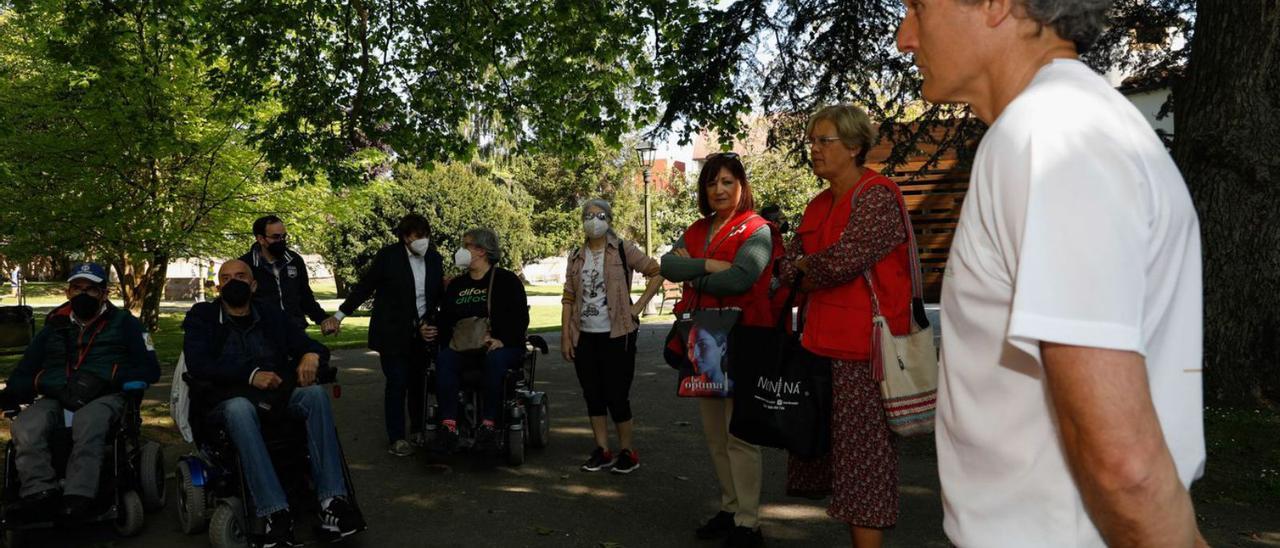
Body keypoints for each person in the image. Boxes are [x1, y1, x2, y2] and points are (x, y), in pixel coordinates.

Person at [896, 1, 1206, 546]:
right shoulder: (1063, 124)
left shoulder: (1051, 134)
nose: (904, 37)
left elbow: (1122, 463)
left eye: (918, 7)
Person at [779, 104, 912, 548]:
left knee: (863, 469)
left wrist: (802, 267)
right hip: (817, 349)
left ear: (854, 147)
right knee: (826, 459)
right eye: (812, 141)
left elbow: (844, 260)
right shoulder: (817, 204)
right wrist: (800, 267)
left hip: (863, 354)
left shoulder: (877, 195)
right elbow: (788, 268)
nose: (813, 150)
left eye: (824, 141)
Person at [183, 260, 361, 547]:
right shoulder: (202, 316)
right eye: (226, 278)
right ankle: (273, 512)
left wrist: (312, 356)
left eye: (241, 276)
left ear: (253, 285)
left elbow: (309, 345)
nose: (233, 282)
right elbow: (198, 363)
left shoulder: (270, 314)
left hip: (276, 399)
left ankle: (332, 502)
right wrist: (250, 375)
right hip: (224, 404)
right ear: (218, 288)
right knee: (240, 407)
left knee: (314, 395)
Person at [661, 153, 781, 548]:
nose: (719, 189)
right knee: (714, 433)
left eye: (728, 181)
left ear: (741, 186)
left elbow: (743, 278)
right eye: (712, 183)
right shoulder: (697, 228)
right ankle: (730, 509)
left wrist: (696, 270)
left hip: (745, 337)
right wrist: (714, 266)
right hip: (704, 339)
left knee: (740, 434)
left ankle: (749, 522)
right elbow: (667, 266)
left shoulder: (757, 229)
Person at [0, 263, 160, 520]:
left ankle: (79, 495)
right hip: (57, 395)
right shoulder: (53, 326)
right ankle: (39, 492)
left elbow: (150, 369)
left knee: (89, 421)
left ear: (104, 293)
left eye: (91, 289)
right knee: (27, 425)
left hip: (104, 395)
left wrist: (112, 377)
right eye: (77, 288)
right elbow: (26, 367)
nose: (83, 295)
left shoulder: (127, 324)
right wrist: (14, 392)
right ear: (68, 292)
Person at [322, 214, 445, 457]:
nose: (422, 241)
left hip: (423, 333)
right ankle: (397, 436)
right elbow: (365, 287)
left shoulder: (434, 258)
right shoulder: (389, 257)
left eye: (425, 236)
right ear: (404, 237)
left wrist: (433, 320)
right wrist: (339, 316)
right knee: (398, 382)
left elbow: (434, 294)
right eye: (416, 237)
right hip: (392, 331)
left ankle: (418, 430)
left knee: (419, 382)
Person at [560, 199, 663, 474]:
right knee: (592, 394)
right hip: (585, 336)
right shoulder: (575, 256)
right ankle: (602, 450)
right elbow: (568, 297)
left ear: (609, 220)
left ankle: (628, 451)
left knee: (617, 395)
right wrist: (565, 337)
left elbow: (656, 271)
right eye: (588, 215)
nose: (594, 220)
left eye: (600, 215)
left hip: (618, 334)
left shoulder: (622, 248)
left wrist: (637, 307)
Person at [428, 228, 529, 455]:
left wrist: (502, 340)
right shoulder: (456, 286)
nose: (461, 250)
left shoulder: (506, 281)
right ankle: (449, 426)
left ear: (481, 251)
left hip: (501, 346)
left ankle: (489, 425)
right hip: (463, 347)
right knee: (444, 359)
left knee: (494, 360)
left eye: (466, 245)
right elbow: (446, 321)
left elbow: (520, 318)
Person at [241, 215, 328, 330]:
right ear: (260, 239)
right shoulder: (245, 265)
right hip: (262, 333)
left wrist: (322, 319)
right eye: (275, 237)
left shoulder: (294, 260)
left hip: (296, 329)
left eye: (284, 236)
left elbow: (305, 295)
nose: (281, 241)